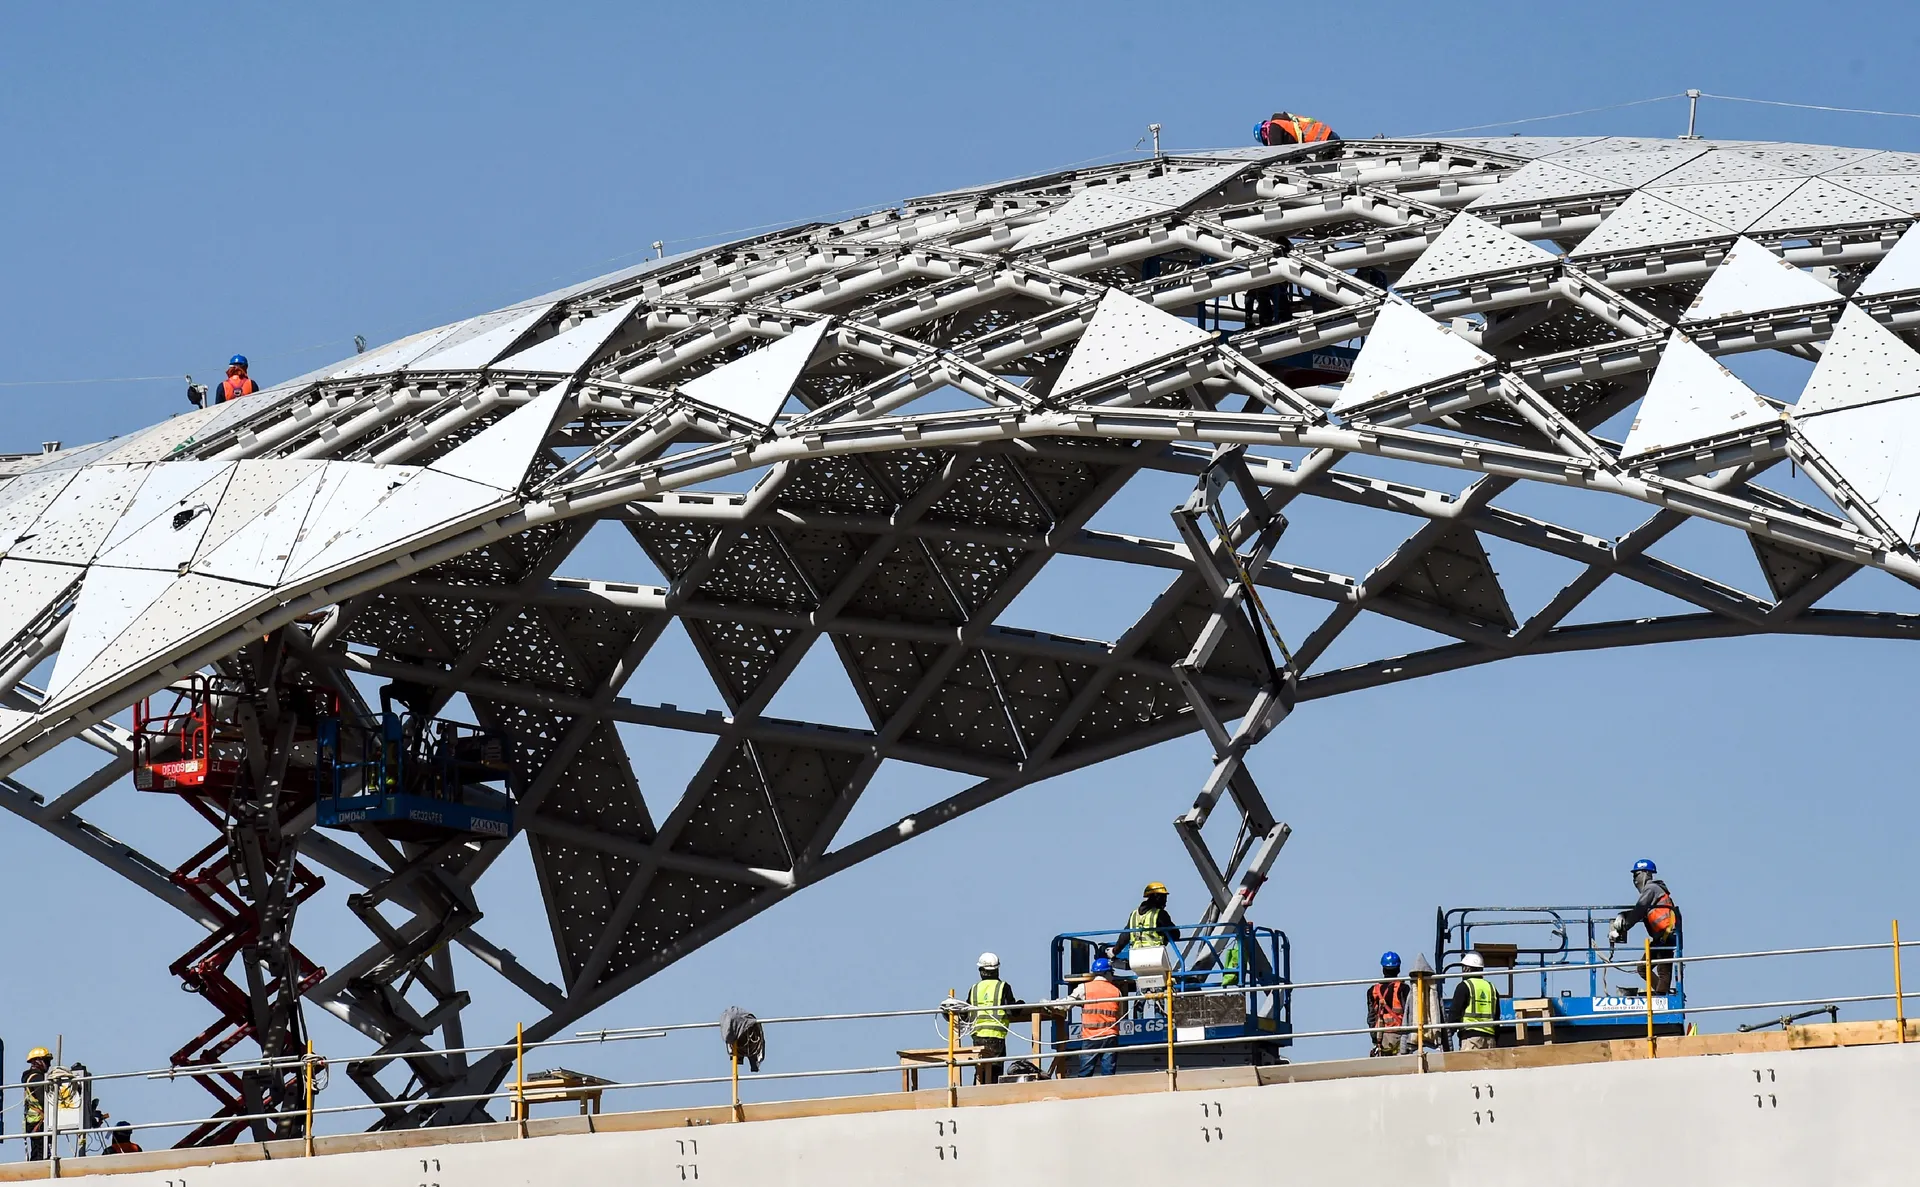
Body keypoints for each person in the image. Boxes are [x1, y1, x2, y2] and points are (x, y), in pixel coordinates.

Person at [1610, 858, 1682, 995]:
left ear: (1645, 873)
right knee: (1643, 967)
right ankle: (1662, 992)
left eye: (1636, 875)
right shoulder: (1653, 891)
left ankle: (1662, 996)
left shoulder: (1651, 889)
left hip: (1667, 936)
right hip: (1661, 938)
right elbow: (1641, 912)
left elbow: (1640, 910)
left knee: (1663, 970)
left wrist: (1623, 926)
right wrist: (1623, 916)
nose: (1634, 880)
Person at [966, 952, 1022, 1086]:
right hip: (996, 1037)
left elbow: (965, 1012)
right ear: (997, 969)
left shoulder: (974, 989)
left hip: (977, 1036)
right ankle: (990, 1096)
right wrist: (1021, 1004)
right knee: (995, 1069)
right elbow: (1012, 1011)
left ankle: (977, 1093)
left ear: (981, 970)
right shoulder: (1003, 987)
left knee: (980, 1069)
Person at [1070, 956, 1125, 1077]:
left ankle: (1083, 1093)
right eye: (1111, 973)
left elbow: (1067, 1004)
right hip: (1110, 1036)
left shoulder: (1084, 988)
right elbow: (1120, 1014)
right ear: (1107, 973)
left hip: (1091, 1036)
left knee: (1085, 1072)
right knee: (1108, 1073)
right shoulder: (1116, 991)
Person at [1448, 952, 1500, 1051]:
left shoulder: (1464, 986)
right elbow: (1497, 1016)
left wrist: (1448, 1034)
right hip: (1490, 1039)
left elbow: (1455, 1014)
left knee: (1470, 1066)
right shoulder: (1492, 987)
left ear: (1467, 968)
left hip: (1471, 1039)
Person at [1367, 951, 1413, 1057]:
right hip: (1400, 1036)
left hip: (1381, 1037)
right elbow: (1410, 1013)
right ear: (1398, 968)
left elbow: (1371, 1018)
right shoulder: (1403, 989)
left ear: (1383, 968)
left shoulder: (1373, 990)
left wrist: (1375, 1038)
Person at [22, 1047, 51, 1161]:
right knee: (40, 1153)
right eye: (46, 1061)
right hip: (38, 1122)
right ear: (37, 1061)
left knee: (40, 1151)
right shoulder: (37, 1078)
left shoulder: (30, 1077)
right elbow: (44, 1100)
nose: (48, 1065)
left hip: (34, 1122)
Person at [1255, 112, 1339, 147]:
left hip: (1320, 141)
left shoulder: (1273, 130)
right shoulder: (1283, 118)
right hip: (1327, 131)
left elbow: (1275, 153)